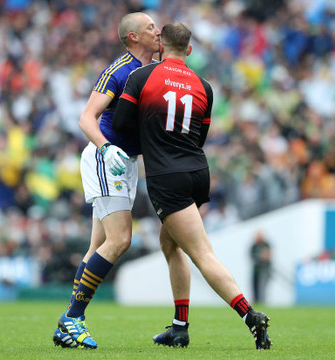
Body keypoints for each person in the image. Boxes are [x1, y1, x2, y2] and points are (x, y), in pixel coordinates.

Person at [113, 22, 272, 350]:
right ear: (189, 50)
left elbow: (121, 124)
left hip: (165, 176)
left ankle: (250, 315)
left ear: (161, 47)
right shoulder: (204, 86)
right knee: (171, 245)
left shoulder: (141, 77)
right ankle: (179, 328)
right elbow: (199, 135)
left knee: (201, 253)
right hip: (197, 171)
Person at [52, 12, 183, 350]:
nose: (158, 30)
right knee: (120, 239)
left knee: (99, 246)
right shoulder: (118, 70)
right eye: (151, 27)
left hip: (126, 163)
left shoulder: (154, 71)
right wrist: (106, 148)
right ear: (133, 38)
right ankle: (72, 318)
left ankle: (68, 321)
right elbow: (86, 117)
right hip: (106, 160)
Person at [250, 230, 271, 303]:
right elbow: (252, 257)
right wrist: (261, 256)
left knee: (262, 287)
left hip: (265, 270)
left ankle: (262, 302)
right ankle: (256, 302)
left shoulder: (266, 244)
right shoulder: (254, 245)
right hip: (256, 270)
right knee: (254, 288)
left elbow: (267, 256)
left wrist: (260, 257)